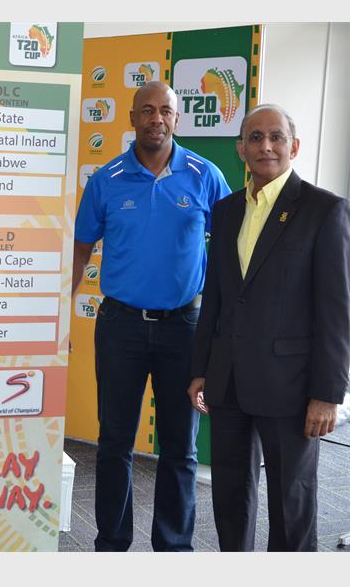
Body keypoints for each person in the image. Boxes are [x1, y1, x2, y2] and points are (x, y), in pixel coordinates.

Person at [72, 81, 230, 551]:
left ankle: (173, 549)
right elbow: (81, 250)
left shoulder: (205, 175)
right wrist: (59, 315)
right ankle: (111, 544)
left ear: (177, 118)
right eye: (147, 110)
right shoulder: (106, 179)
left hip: (185, 328)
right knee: (114, 441)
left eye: (165, 110)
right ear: (132, 118)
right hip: (120, 326)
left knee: (180, 447)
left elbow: (231, 250)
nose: (156, 118)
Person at [188, 104, 350, 551]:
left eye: (276, 137)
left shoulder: (325, 210)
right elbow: (216, 297)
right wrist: (201, 368)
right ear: (240, 149)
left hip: (292, 386)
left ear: (293, 146)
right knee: (230, 496)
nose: (266, 146)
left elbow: (336, 311)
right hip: (228, 381)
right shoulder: (225, 211)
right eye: (255, 138)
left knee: (290, 501)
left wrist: (328, 393)